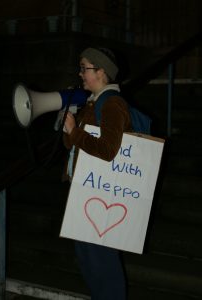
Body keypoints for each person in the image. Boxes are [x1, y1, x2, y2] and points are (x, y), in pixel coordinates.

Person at [63, 47, 132, 300]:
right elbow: (74, 145)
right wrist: (69, 130)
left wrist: (75, 132)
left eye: (85, 68)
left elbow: (107, 150)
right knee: (88, 260)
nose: (80, 74)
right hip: (85, 191)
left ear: (101, 72)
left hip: (100, 194)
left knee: (101, 262)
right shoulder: (92, 104)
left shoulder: (112, 104)